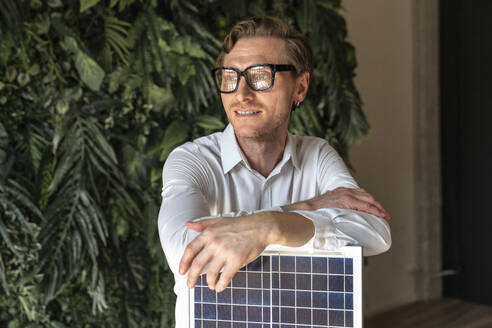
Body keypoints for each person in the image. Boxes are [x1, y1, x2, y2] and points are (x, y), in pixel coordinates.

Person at [158, 16, 391, 328]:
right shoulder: (192, 160)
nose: (241, 94)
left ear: (300, 87)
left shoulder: (317, 155)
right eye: (230, 77)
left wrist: (270, 227)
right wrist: (295, 212)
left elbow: (374, 231)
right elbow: (186, 255)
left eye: (260, 76)